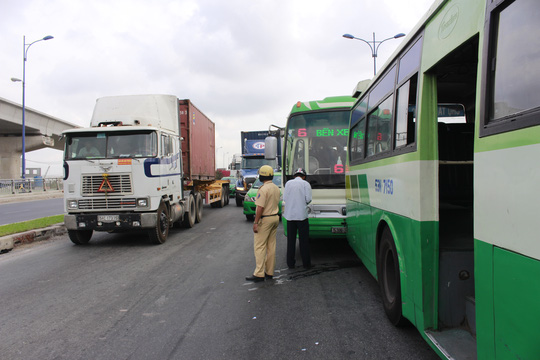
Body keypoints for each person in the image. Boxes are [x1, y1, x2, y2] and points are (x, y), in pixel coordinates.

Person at [245, 165, 281, 282]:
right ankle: (269, 272)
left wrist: (256, 222)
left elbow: (260, 207)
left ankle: (259, 273)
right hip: (275, 218)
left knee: (260, 246)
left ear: (262, 175)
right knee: (271, 246)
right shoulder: (276, 188)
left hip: (265, 219)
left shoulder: (263, 189)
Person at [282, 168, 312, 269]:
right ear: (303, 176)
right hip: (302, 216)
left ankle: (290, 263)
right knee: (304, 241)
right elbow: (308, 199)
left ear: (295, 175)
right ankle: (306, 264)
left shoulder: (288, 184)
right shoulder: (305, 184)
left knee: (291, 241)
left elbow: (285, 198)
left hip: (290, 217)